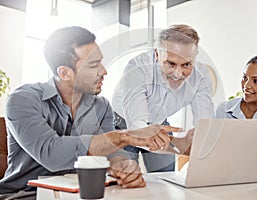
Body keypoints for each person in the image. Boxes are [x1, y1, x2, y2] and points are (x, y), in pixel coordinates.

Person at [0, 26, 182, 199]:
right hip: (25, 194)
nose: (104, 71)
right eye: (94, 65)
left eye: (101, 62)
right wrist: (125, 136)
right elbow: (52, 154)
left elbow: (110, 154)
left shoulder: (101, 106)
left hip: (81, 193)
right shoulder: (22, 100)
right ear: (65, 73)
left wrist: (123, 165)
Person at [112, 24, 214, 172]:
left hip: (160, 122)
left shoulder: (201, 76)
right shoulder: (137, 68)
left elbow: (205, 123)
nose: (178, 74)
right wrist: (179, 143)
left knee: (166, 180)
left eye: (186, 64)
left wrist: (199, 142)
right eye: (171, 63)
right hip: (122, 125)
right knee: (125, 181)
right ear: (157, 54)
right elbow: (137, 125)